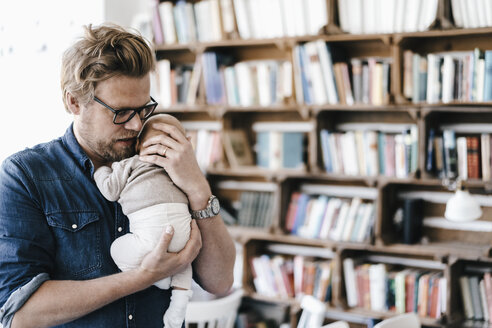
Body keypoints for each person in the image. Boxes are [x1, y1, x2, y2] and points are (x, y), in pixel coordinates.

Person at [0, 23, 235, 328]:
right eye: (121, 112)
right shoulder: (25, 176)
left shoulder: (164, 160)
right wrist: (142, 278)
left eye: (144, 109)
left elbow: (220, 281)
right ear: (73, 102)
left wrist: (196, 186)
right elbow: (19, 313)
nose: (137, 125)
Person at [94, 114, 195, 328]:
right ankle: (179, 302)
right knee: (184, 260)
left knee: (118, 250)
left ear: (139, 144)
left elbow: (111, 191)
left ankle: (158, 279)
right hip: (184, 227)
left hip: (151, 234)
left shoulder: (131, 162)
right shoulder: (178, 171)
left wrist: (102, 171)